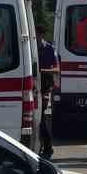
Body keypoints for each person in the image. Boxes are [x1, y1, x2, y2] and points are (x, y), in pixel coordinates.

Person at [35, 26, 58, 160]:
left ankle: (48, 147)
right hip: (32, 87)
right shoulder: (30, 47)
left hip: (44, 87)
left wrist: (40, 71)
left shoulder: (49, 48)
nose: (37, 37)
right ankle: (40, 146)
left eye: (38, 34)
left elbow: (56, 69)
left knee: (42, 117)